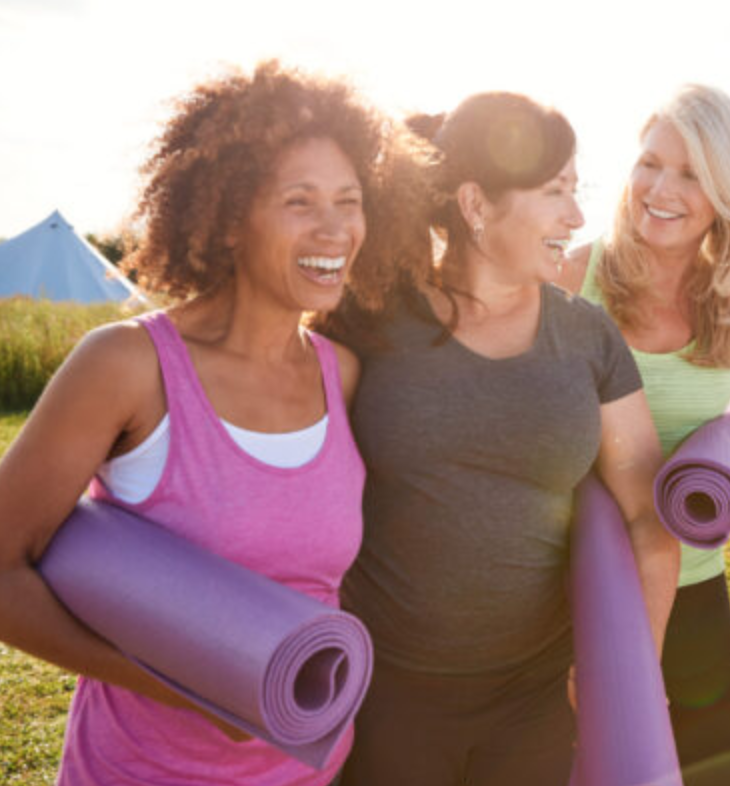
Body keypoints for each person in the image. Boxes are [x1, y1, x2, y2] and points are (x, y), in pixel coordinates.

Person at [0, 61, 428, 785]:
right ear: (230, 220)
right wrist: (193, 683)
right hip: (141, 770)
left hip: (308, 772)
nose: (335, 228)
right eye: (300, 201)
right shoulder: (126, 367)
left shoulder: (343, 375)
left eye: (349, 201)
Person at [326, 92, 680, 786]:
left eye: (576, 191)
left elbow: (648, 517)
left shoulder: (586, 335)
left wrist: (631, 671)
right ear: (476, 204)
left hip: (535, 699)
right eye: (555, 192)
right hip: (384, 691)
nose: (576, 217)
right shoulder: (366, 320)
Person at [559, 84, 730, 786]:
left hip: (693, 588)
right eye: (650, 162)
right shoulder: (575, 275)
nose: (660, 188)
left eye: (690, 174)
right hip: (572, 589)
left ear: (726, 191)